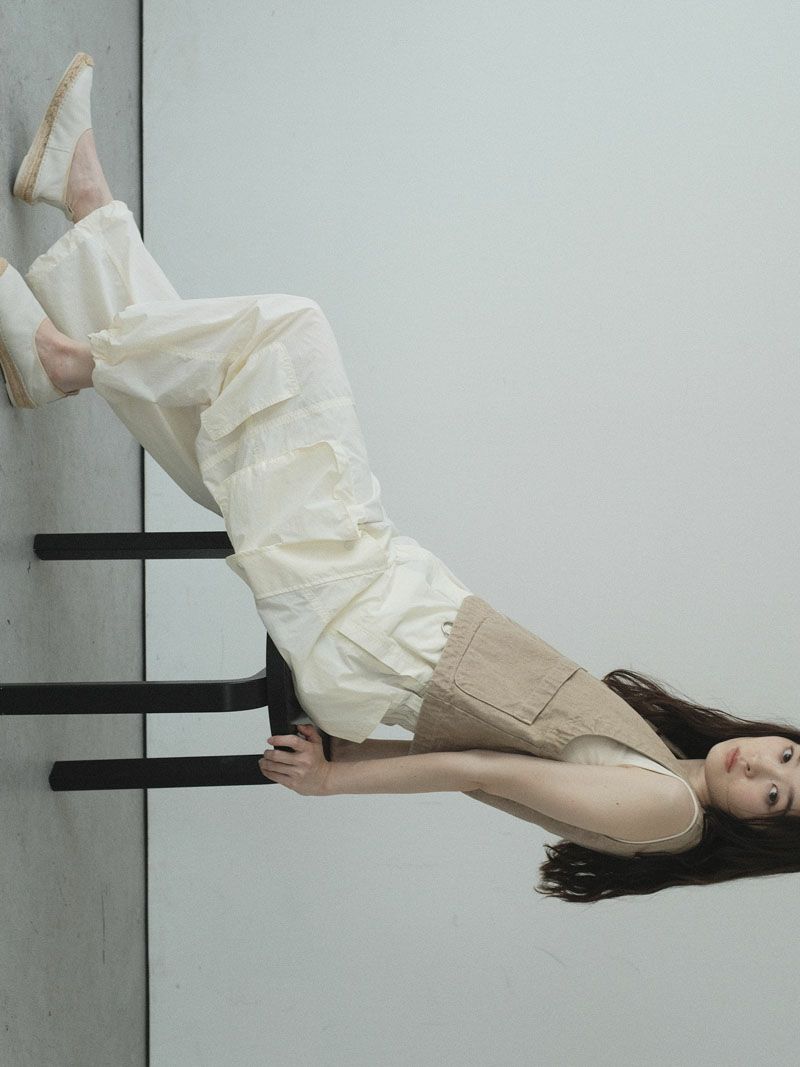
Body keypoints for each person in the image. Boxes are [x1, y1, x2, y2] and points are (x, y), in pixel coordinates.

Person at [3, 53, 799, 903]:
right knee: (219, 423)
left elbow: (480, 769)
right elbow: (489, 751)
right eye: (787, 754)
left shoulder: (667, 808)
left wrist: (335, 777)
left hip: (368, 627)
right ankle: (84, 205)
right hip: (389, 603)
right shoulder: (663, 766)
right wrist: (348, 753)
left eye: (776, 795)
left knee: (289, 339)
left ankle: (67, 355)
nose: (762, 766)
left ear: (761, 830)